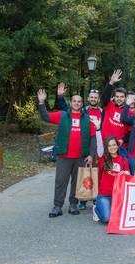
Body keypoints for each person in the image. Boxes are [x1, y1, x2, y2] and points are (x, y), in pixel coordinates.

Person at [37, 89, 95, 217]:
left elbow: (92, 138)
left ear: (82, 104)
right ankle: (57, 206)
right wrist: (41, 102)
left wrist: (91, 154)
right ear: (70, 103)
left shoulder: (87, 120)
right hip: (64, 156)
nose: (76, 103)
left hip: (80, 157)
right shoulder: (62, 115)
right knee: (61, 181)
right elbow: (46, 117)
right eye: (74, 101)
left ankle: (73, 204)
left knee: (76, 182)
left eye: (79, 101)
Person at [92, 118, 130, 223]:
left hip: (118, 195)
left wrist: (125, 173)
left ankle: (111, 209)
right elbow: (99, 143)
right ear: (106, 147)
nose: (112, 147)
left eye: (114, 145)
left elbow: (129, 177)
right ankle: (96, 209)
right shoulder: (102, 157)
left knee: (121, 219)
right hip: (104, 195)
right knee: (107, 218)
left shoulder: (123, 160)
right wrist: (98, 129)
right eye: (109, 146)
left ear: (118, 146)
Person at [101, 69, 129, 153]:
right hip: (104, 144)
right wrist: (111, 83)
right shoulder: (109, 105)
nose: (119, 99)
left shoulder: (129, 112)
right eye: (117, 96)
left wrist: (123, 140)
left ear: (125, 98)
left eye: (122, 97)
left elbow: (131, 131)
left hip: (119, 147)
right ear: (114, 97)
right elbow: (104, 97)